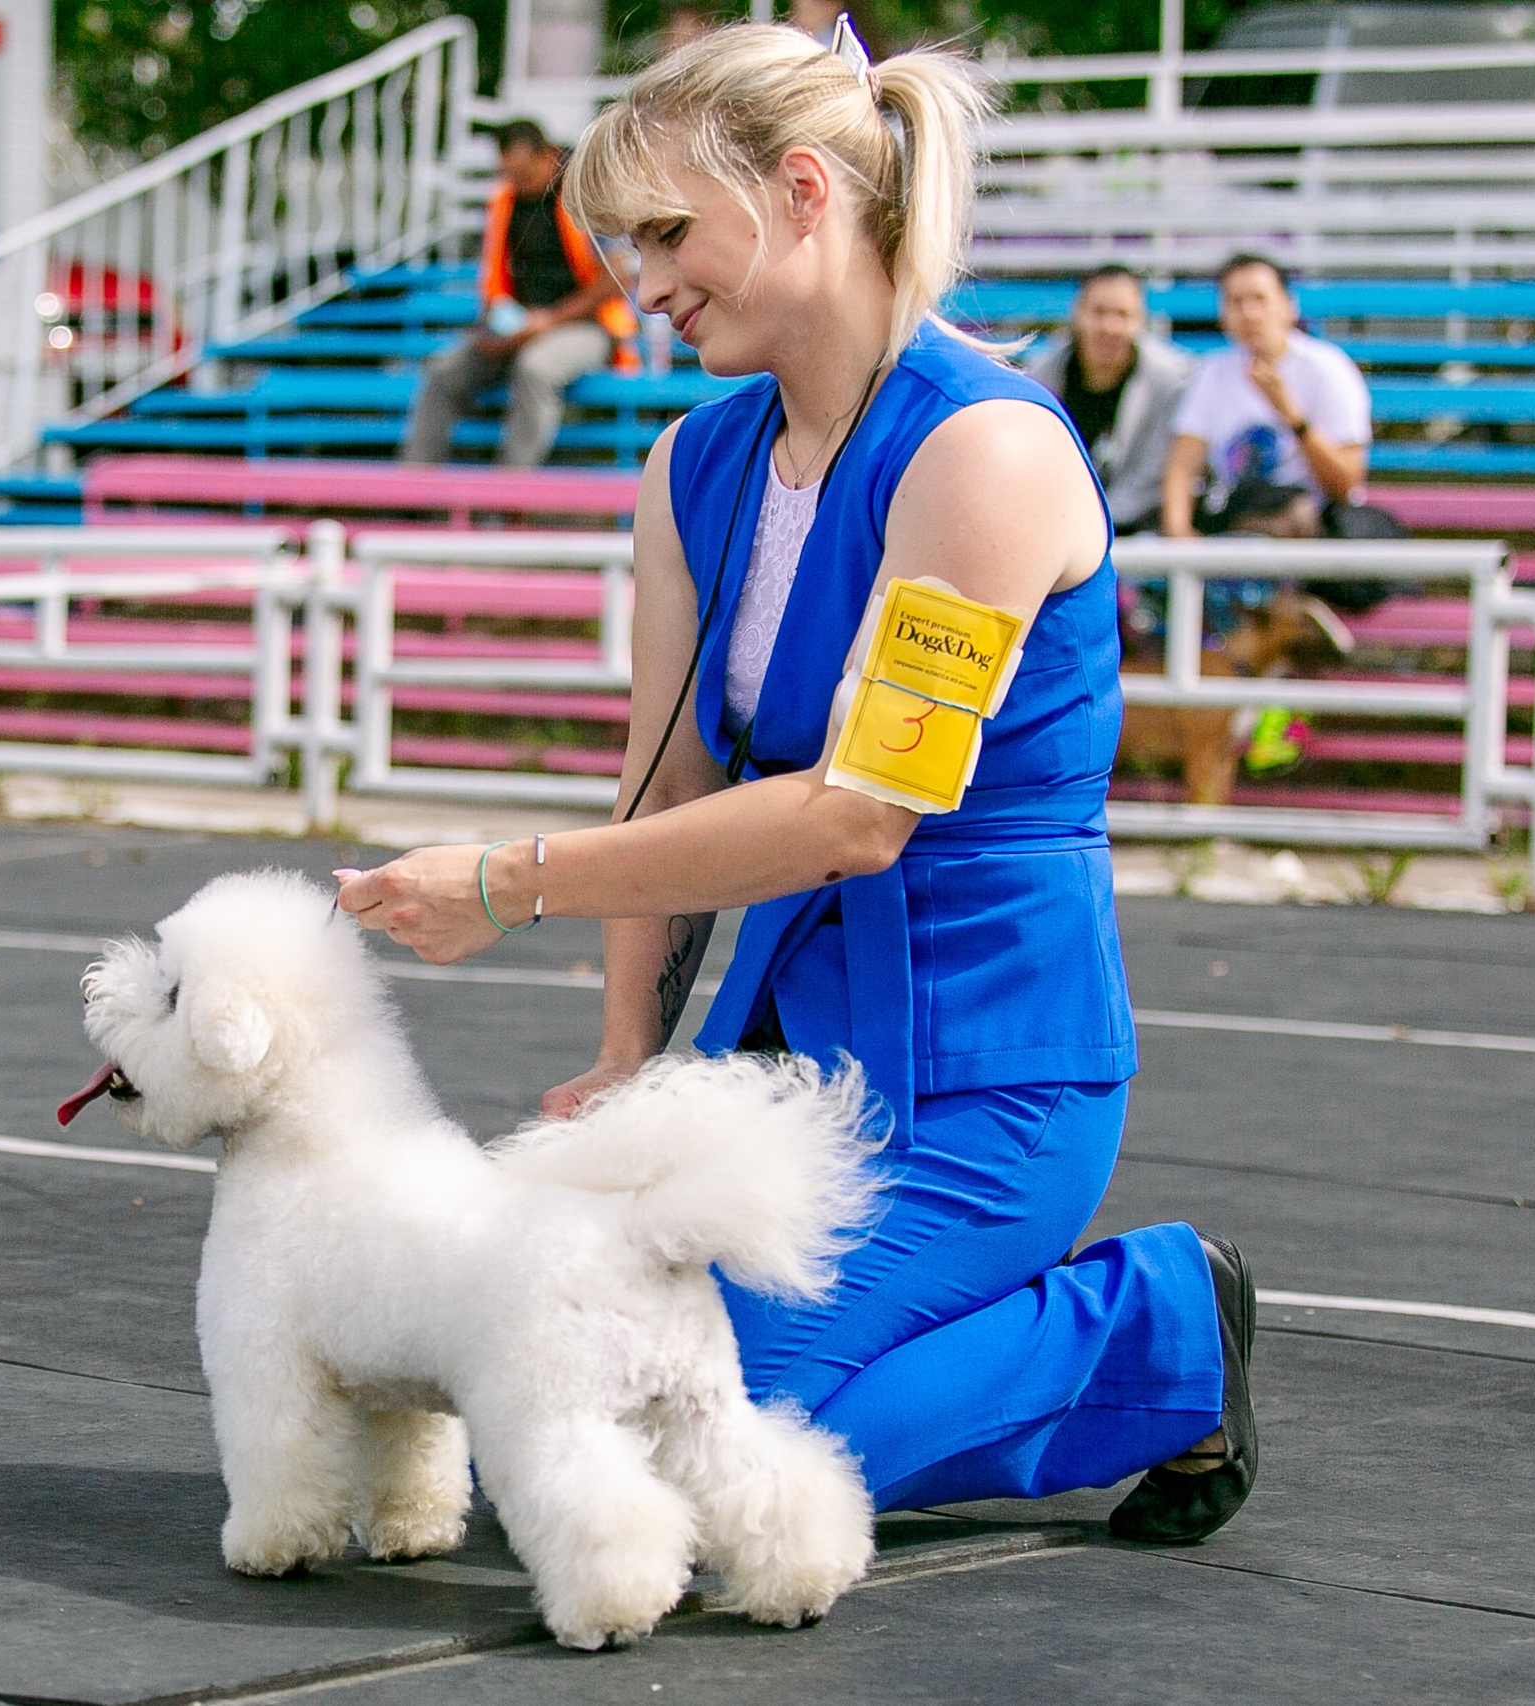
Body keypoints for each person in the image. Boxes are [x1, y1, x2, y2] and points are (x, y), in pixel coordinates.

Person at [337, 20, 1256, 1543]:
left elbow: (856, 811)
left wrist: (506, 880)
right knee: (575, 1423)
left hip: (991, 1080)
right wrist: (630, 1052)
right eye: (624, 245)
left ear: (809, 192)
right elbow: (667, 784)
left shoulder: (989, 454)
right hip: (783, 1066)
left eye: (666, 232)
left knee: (712, 1471)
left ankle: (1161, 1327)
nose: (640, 282)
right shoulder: (693, 466)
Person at [400, 120, 638, 468]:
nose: (517, 183)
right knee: (443, 373)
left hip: (589, 327)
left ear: (547, 156)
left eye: (524, 174)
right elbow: (496, 285)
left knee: (535, 370)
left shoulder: (587, 195)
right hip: (519, 324)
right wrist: (492, 329)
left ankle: (509, 498)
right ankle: (411, 490)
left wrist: (547, 322)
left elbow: (617, 278)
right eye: (509, 174)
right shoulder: (505, 202)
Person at [1162, 253, 1373, 539]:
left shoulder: (1329, 370)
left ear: (1289, 306)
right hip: (1234, 514)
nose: (1249, 313)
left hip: (1313, 527)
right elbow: (1182, 468)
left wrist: (1290, 413)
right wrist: (1180, 536)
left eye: (1260, 299)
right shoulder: (1211, 373)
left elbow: (1346, 483)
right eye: (1236, 303)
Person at [1027, 263, 1196, 534]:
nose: (1109, 326)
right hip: (1053, 526)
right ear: (1078, 313)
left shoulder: (1170, 381)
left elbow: (1151, 479)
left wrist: (1090, 526)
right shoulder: (1040, 377)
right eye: (1099, 312)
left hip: (1139, 527)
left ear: (1140, 319)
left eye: (1122, 314)